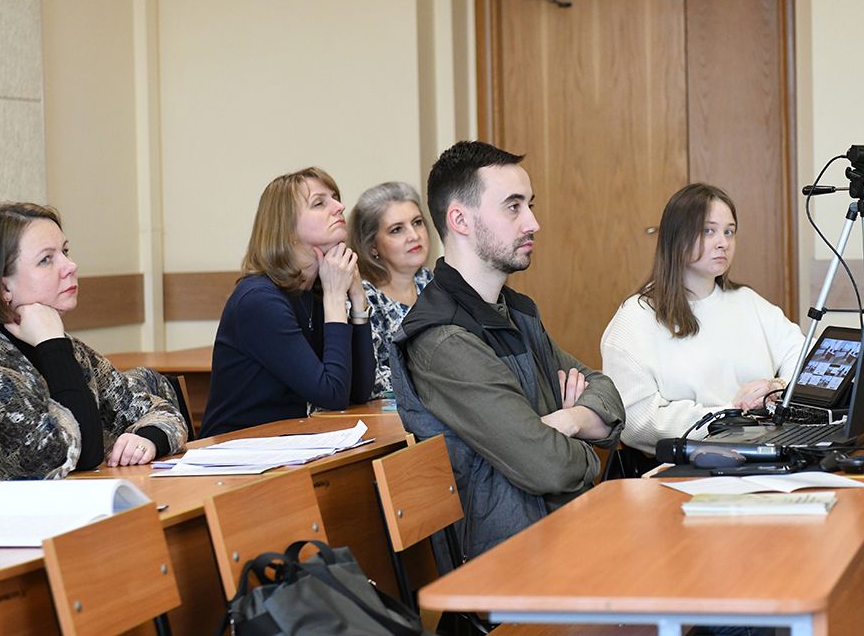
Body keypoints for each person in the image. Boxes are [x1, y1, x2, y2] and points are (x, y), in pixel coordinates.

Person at [391, 141, 625, 559]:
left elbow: (605, 391)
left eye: (529, 205)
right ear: (460, 220)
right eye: (513, 207)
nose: (533, 223)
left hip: (564, 533)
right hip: (511, 561)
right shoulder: (443, 340)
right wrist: (588, 447)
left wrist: (569, 419)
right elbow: (548, 466)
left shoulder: (515, 311)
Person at [0, 203, 188, 483]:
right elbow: (62, 455)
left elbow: (161, 409)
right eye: (46, 259)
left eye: (65, 252)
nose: (70, 266)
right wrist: (52, 346)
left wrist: (148, 439)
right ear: (3, 287)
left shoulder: (69, 350)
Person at [600, 182, 805, 455]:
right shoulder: (637, 317)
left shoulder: (747, 301)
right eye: (709, 231)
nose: (723, 243)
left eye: (729, 231)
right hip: (685, 463)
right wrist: (730, 414)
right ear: (677, 237)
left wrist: (776, 388)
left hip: (763, 451)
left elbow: (807, 358)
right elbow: (637, 422)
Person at [201, 167, 375, 437]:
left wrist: (358, 300)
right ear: (287, 228)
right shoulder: (258, 300)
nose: (339, 207)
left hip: (287, 445)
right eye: (319, 203)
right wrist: (334, 299)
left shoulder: (313, 291)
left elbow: (358, 392)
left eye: (335, 198)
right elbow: (332, 395)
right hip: (236, 451)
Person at [348, 181, 433, 398]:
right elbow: (373, 382)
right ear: (373, 246)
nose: (414, 235)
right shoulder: (363, 297)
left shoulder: (431, 282)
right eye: (397, 230)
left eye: (417, 222)